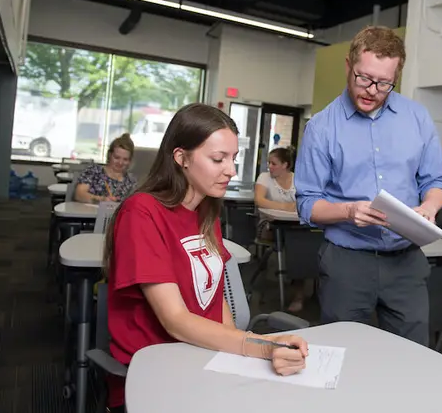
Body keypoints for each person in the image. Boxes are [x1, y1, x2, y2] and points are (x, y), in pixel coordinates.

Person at [104, 103, 308, 413]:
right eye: (218, 159)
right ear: (180, 157)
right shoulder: (141, 213)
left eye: (233, 158)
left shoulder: (205, 207)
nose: (231, 170)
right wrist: (258, 347)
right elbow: (174, 320)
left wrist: (245, 348)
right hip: (156, 371)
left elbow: (214, 297)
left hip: (204, 358)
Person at [294, 25, 442, 346]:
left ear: (397, 77)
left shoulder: (417, 117)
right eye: (363, 78)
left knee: (412, 358)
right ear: (348, 66)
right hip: (347, 263)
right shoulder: (322, 127)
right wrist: (348, 211)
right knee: (341, 355)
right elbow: (307, 204)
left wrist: (429, 206)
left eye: (383, 83)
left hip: (406, 261)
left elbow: (436, 182)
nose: (371, 90)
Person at [254, 146, 311, 312]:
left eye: (274, 163)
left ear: (285, 165)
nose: (269, 167)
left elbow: (305, 203)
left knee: (303, 245)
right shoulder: (264, 178)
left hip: (295, 227)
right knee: (298, 245)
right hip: (270, 226)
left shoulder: (298, 179)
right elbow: (259, 201)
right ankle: (298, 290)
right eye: (269, 163)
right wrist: (287, 207)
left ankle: (299, 292)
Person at [74, 133, 137, 203]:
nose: (120, 163)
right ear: (109, 155)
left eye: (125, 159)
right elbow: (79, 195)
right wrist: (102, 200)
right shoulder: (93, 171)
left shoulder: (131, 181)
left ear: (130, 160)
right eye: (116, 158)